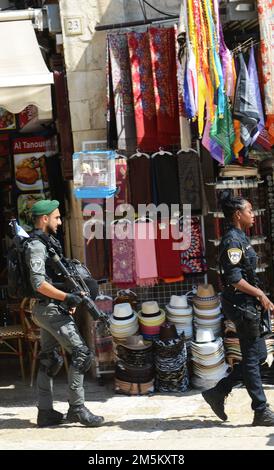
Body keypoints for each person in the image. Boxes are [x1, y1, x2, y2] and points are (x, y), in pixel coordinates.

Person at [25, 199, 104, 428]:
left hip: (49, 308)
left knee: (50, 359)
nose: (60, 221)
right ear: (44, 219)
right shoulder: (37, 246)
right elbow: (39, 283)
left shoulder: (46, 242)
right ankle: (77, 408)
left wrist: (70, 297)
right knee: (81, 354)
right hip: (49, 309)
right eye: (57, 217)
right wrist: (67, 297)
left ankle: (45, 412)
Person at [202, 191, 274, 426]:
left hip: (248, 306)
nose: (252, 215)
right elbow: (234, 278)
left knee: (260, 355)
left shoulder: (239, 237)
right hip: (242, 305)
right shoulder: (232, 241)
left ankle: (219, 391)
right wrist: (260, 294)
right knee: (253, 358)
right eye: (249, 210)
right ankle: (261, 410)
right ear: (237, 214)